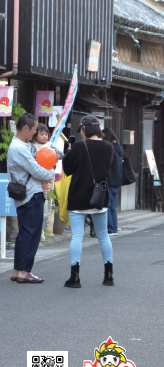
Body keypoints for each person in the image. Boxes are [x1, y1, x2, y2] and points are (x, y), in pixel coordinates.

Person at [62, 115, 114, 288]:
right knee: (103, 236)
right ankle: (108, 275)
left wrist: (69, 152)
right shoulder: (108, 147)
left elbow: (68, 170)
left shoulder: (79, 146)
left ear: (84, 129)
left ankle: (75, 277)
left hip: (78, 197)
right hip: (100, 197)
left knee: (77, 236)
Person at [8, 113, 58, 284]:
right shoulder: (20, 148)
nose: (36, 133)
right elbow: (37, 170)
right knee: (31, 233)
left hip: (26, 194)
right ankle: (24, 271)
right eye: (35, 129)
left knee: (24, 233)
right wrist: (52, 173)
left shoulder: (21, 145)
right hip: (31, 194)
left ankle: (18, 270)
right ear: (26, 128)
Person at [32, 124, 64, 241]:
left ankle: (44, 230)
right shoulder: (32, 147)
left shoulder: (50, 146)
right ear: (35, 136)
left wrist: (57, 156)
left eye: (46, 134)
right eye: (42, 134)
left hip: (48, 177)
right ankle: (40, 231)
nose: (44, 136)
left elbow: (61, 154)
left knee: (47, 202)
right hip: (36, 177)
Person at [102, 128, 124, 236]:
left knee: (107, 206)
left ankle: (111, 228)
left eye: (102, 136)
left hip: (110, 180)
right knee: (113, 207)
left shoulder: (109, 148)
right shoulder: (118, 148)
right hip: (118, 181)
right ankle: (114, 227)